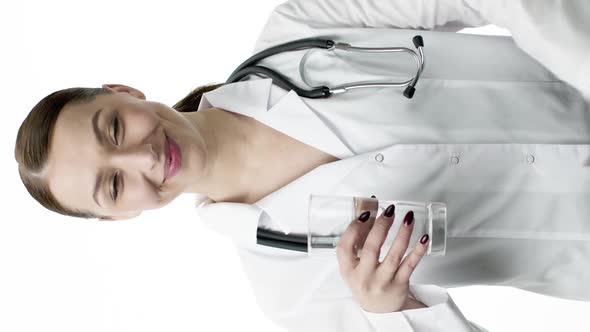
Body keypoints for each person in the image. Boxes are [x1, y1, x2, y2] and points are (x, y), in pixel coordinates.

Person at [14, 0, 590, 331]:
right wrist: (396, 312)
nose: (141, 157)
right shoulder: (290, 292)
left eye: (114, 127)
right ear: (119, 219)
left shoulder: (302, 28)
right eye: (112, 185)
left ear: (123, 91)